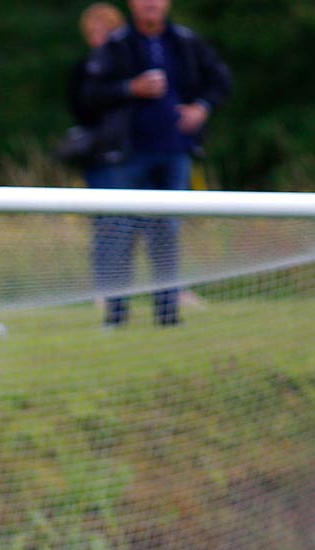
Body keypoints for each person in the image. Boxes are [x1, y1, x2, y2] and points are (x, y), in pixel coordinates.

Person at [75, 0, 231, 327]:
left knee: (166, 231)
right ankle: (116, 315)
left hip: (175, 151)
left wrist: (201, 108)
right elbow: (86, 94)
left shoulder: (185, 42)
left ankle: (167, 313)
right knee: (120, 231)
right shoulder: (116, 46)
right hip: (126, 156)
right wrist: (131, 88)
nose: (150, 4)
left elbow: (220, 79)